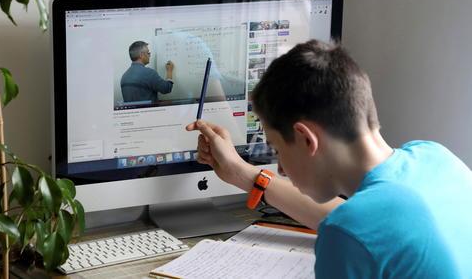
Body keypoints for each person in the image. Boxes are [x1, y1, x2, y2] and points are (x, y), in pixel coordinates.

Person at [186, 39, 472, 278]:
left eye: (276, 149)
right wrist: (242, 172)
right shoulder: (436, 158)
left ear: (306, 139)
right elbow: (362, 225)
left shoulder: (349, 232)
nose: (281, 168)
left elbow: (351, 228)